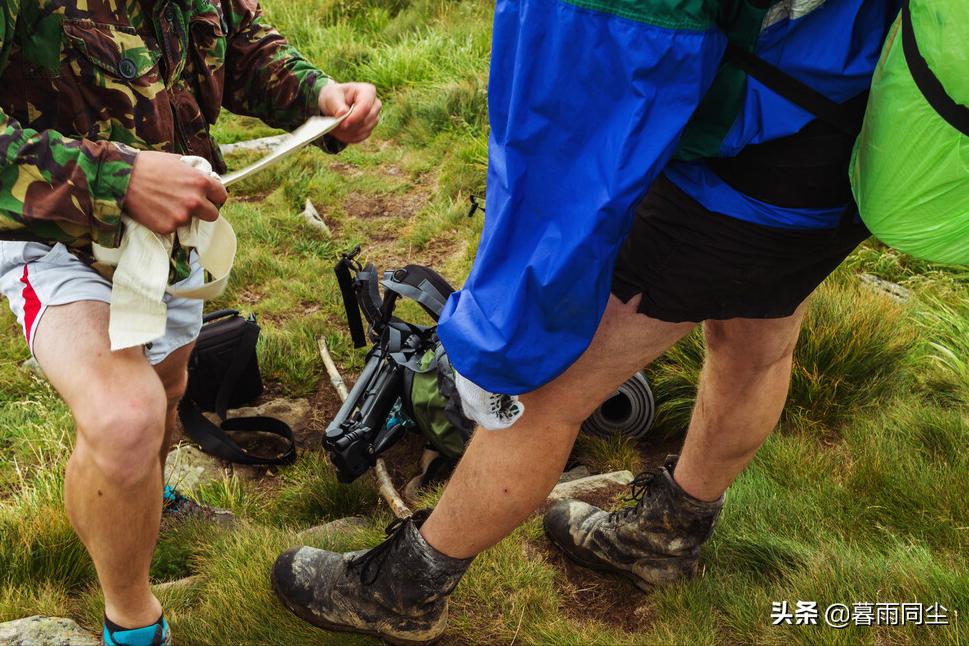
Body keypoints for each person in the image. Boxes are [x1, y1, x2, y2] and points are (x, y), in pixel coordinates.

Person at [271, 0, 903, 643]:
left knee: (548, 393)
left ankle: (404, 590)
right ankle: (664, 539)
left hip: (740, 170)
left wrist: (517, 317)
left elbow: (593, 100)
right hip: (850, 132)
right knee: (756, 341)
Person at [0, 0, 379, 643]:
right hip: (56, 238)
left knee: (169, 392)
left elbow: (240, 46)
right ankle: (133, 620)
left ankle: (154, 501)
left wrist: (320, 92)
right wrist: (117, 180)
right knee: (125, 418)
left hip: (175, 231)